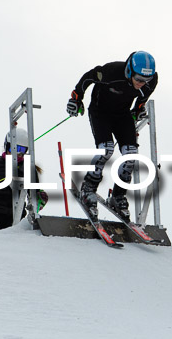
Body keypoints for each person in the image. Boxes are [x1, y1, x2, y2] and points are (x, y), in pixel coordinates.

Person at [65, 51, 159, 221]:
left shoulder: (150, 81)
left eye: (146, 80)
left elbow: (142, 98)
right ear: (130, 71)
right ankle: (89, 187)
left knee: (131, 155)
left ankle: (118, 196)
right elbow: (88, 77)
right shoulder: (112, 72)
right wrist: (76, 98)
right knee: (106, 149)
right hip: (100, 112)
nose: (141, 83)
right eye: (138, 79)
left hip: (122, 115)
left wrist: (138, 109)